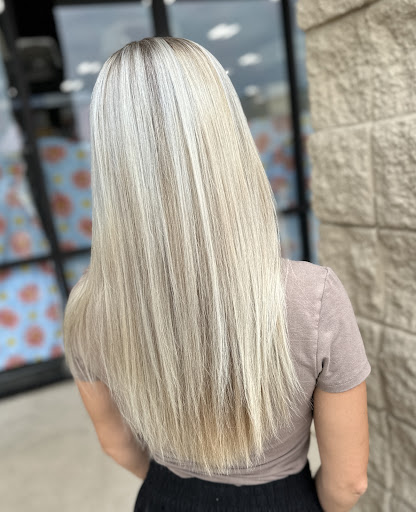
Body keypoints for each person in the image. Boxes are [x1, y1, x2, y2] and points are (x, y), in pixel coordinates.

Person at [63, 37, 371, 512]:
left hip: (164, 498)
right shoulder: (310, 298)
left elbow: (117, 444)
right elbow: (348, 482)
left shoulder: (88, 306)